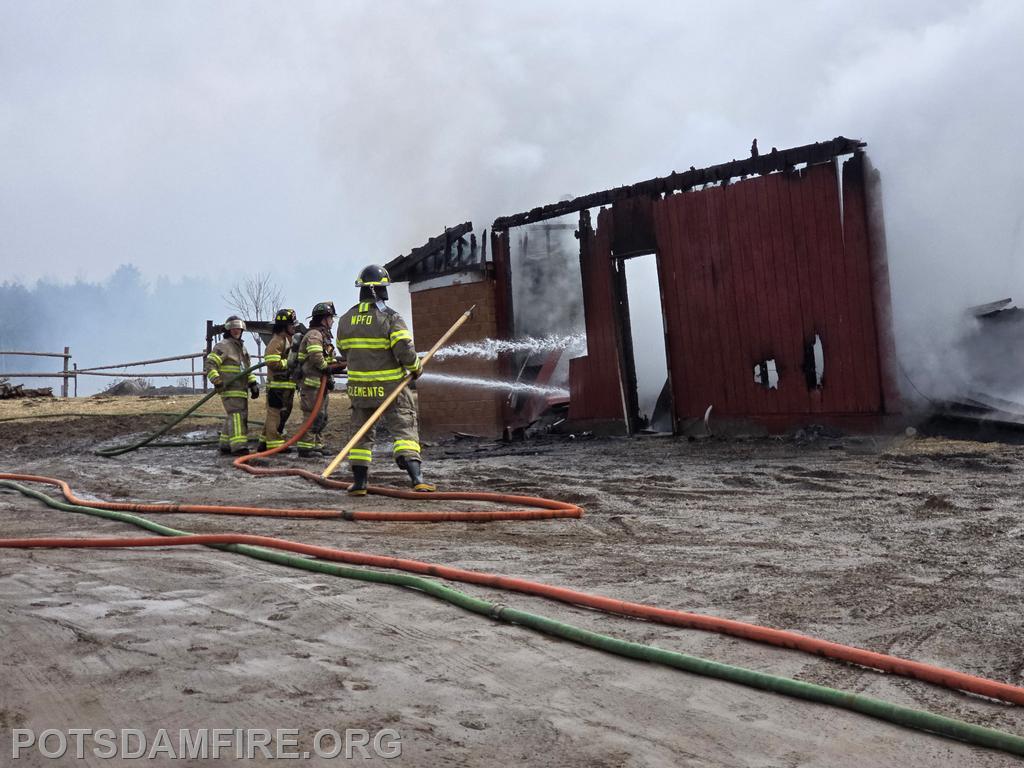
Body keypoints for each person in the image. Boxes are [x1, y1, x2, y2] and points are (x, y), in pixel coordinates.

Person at [337, 264, 434, 495]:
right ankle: (417, 479)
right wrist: (415, 367)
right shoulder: (390, 317)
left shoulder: (346, 320)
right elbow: (404, 350)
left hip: (360, 390)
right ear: (378, 289)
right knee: (405, 429)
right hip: (391, 388)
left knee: (360, 434)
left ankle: (360, 484)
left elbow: (343, 350)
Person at [203, 315, 259, 455]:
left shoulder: (242, 348)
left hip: (241, 389)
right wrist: (217, 380)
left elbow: (247, 368)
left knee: (233, 415)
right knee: (237, 416)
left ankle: (225, 444)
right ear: (228, 330)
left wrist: (253, 383)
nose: (236, 331)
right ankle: (239, 446)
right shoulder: (223, 346)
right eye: (233, 328)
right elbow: (210, 364)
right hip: (229, 388)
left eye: (239, 328)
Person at [296, 301, 345, 457]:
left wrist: (338, 365)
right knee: (312, 415)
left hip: (320, 384)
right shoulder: (314, 335)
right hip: (312, 384)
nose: (332, 321)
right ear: (324, 319)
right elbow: (316, 357)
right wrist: (327, 368)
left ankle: (317, 445)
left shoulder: (324, 336)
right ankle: (306, 447)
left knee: (321, 416)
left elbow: (327, 358)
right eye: (331, 318)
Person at [258, 308, 298, 452]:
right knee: (275, 415)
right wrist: (289, 363)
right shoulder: (277, 341)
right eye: (291, 325)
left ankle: (264, 442)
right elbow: (272, 362)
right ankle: (274, 444)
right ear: (284, 326)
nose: (294, 327)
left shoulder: (288, 340)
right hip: (277, 386)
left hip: (286, 385)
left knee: (279, 415)